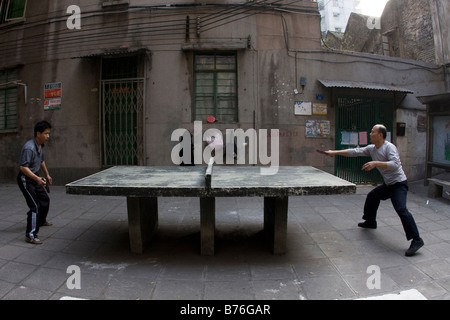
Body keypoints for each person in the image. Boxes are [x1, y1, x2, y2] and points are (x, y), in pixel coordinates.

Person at [324, 124, 424, 256]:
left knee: (401, 209)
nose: (370, 134)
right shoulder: (372, 148)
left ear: (380, 135)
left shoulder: (389, 147)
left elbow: (395, 165)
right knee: (372, 196)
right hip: (388, 184)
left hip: (399, 184)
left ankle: (417, 240)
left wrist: (375, 163)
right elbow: (354, 152)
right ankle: (370, 221)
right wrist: (334, 152)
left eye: (372, 132)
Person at [17, 120, 53, 244]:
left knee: (45, 200)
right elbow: (23, 167)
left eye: (49, 133)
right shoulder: (29, 148)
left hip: (34, 176)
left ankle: (41, 220)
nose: (48, 136)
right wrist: (37, 179)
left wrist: (47, 175)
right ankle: (30, 234)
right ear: (38, 134)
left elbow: (41, 161)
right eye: (46, 133)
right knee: (35, 206)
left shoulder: (40, 145)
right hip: (25, 179)